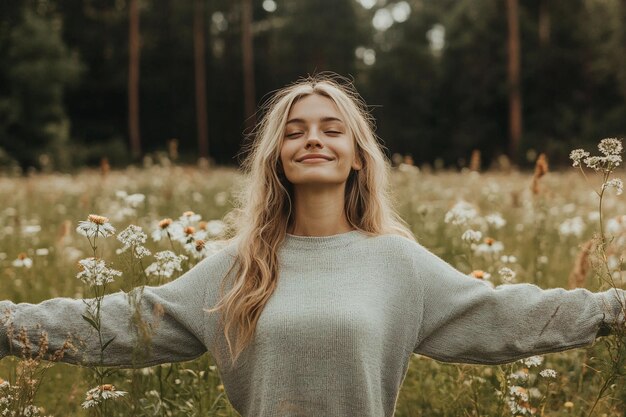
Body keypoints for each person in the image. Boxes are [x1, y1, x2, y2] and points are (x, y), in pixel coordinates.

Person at [0, 73, 624, 417]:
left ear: (357, 157)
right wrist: (7, 323)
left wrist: (610, 310)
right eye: (295, 132)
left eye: (332, 130)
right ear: (277, 157)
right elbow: (114, 322)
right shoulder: (235, 271)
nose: (313, 140)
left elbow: (503, 313)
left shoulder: (398, 264)